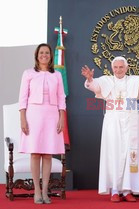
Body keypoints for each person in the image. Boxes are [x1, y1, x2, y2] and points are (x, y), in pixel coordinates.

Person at [81, 56, 139, 202]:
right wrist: (89, 79)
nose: (118, 70)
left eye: (121, 67)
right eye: (116, 67)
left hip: (131, 121)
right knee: (113, 154)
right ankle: (114, 190)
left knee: (128, 153)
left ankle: (127, 190)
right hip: (112, 122)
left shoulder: (135, 80)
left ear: (126, 68)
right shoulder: (106, 80)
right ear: (112, 68)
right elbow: (95, 86)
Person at [18, 43, 66, 204]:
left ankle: (45, 191)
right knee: (35, 153)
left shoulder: (57, 75)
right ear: (37, 55)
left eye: (47, 52)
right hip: (34, 115)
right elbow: (23, 98)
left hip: (52, 115)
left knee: (47, 154)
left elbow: (61, 98)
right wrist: (23, 118)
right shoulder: (28, 73)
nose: (44, 55)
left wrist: (61, 117)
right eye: (41, 53)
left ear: (51, 56)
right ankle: (36, 192)